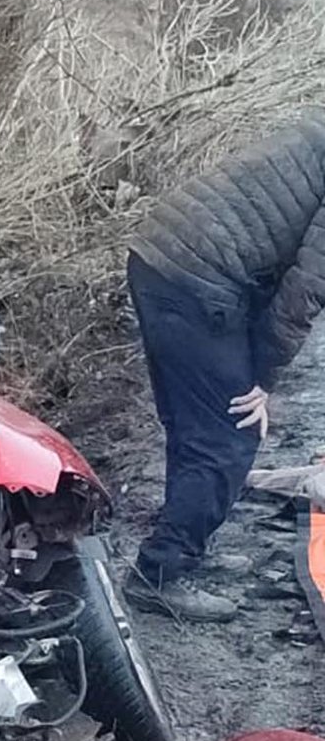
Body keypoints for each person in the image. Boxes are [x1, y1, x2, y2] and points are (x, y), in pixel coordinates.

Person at [126, 116, 325, 622]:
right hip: (199, 279)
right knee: (229, 433)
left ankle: (186, 547)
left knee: (194, 424)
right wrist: (263, 378)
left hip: (161, 256)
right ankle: (160, 573)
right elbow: (305, 290)